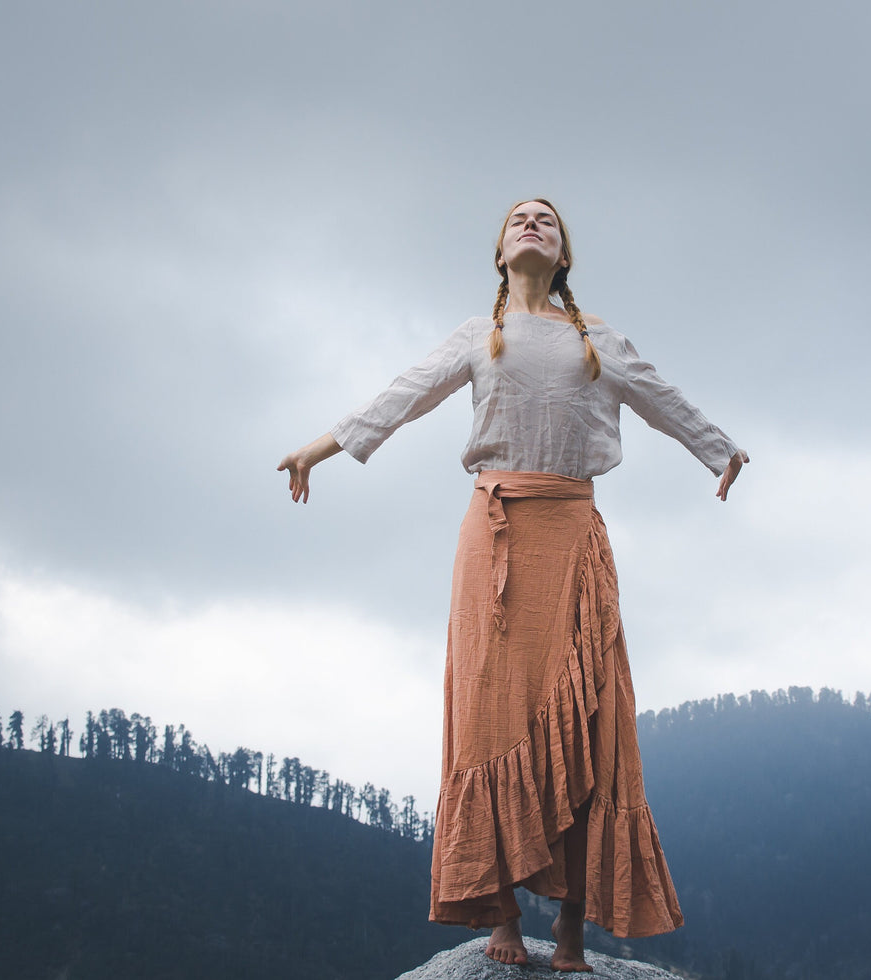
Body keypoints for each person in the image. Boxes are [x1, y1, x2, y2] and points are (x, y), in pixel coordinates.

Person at [278, 199, 747, 971]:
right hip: (490, 536)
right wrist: (314, 451)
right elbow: (399, 398)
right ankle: (499, 913)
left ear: (561, 254)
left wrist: (720, 449)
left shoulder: (597, 338)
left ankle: (567, 928)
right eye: (518, 219)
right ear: (499, 251)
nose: (532, 224)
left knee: (586, 716)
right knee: (489, 717)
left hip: (569, 534)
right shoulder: (478, 335)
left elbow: (664, 399)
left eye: (547, 220)